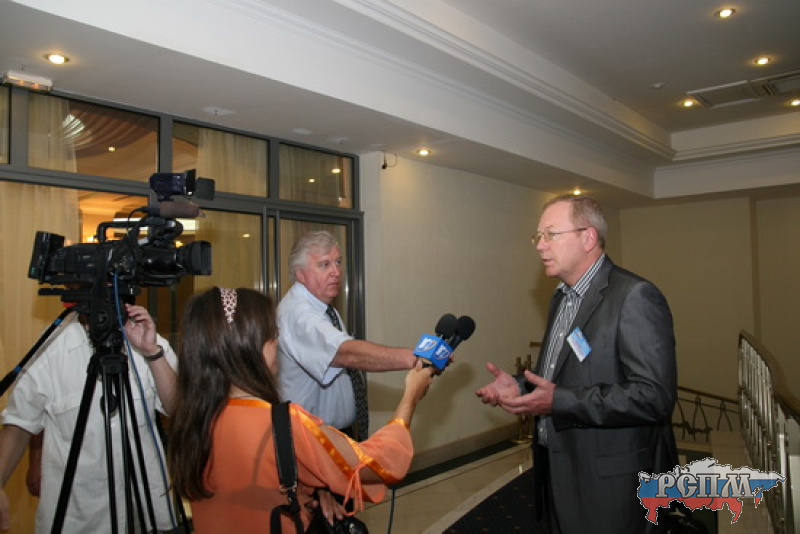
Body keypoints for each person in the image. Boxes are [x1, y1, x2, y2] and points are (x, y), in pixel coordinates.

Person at [476, 195, 678, 534]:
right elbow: (562, 373)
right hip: (558, 471)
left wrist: (558, 401)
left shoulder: (634, 296)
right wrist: (521, 385)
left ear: (588, 237)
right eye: (537, 236)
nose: (540, 245)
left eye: (550, 234)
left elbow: (654, 396)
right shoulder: (561, 298)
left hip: (610, 484)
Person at [167, 287, 435, 533]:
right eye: (271, 335)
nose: (277, 341)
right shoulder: (283, 424)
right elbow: (376, 465)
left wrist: (315, 489)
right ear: (247, 347)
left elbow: (257, 484)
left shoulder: (193, 419)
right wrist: (410, 396)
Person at [0, 303, 178, 533]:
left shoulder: (147, 338)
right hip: (79, 518)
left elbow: (179, 411)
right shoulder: (51, 349)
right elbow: (19, 423)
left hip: (146, 511)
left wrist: (153, 353)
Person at [277, 231, 417, 441]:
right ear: (300, 274)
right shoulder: (299, 314)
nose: (336, 272)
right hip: (311, 439)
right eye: (324, 264)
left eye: (338, 262)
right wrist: (414, 358)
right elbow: (345, 353)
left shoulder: (323, 307)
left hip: (330, 434)